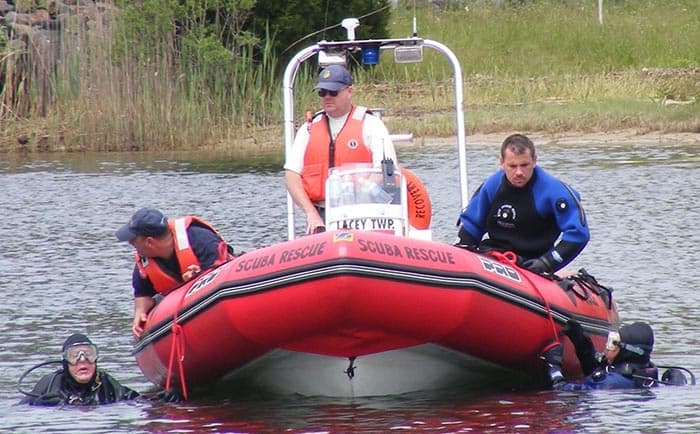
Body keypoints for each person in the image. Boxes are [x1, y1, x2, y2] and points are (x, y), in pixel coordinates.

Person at [284, 64, 398, 234]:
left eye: (333, 92)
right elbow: (291, 175)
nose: (327, 97)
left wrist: (358, 195)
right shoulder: (308, 129)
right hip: (321, 214)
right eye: (322, 92)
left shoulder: (370, 125)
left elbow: (385, 170)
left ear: (349, 92)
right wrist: (311, 213)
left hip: (363, 213)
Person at [456, 133, 589, 273]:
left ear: (534, 161)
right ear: (501, 163)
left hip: (533, 265)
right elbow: (472, 226)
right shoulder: (492, 186)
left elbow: (578, 234)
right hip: (493, 259)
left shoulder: (555, 192)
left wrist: (547, 263)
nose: (519, 172)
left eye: (524, 165)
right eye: (512, 166)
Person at [116, 208, 235, 338]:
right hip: (185, 315)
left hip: (219, 302)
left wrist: (198, 278)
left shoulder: (200, 238)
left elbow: (224, 270)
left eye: (133, 240)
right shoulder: (145, 262)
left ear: (149, 242)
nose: (130, 243)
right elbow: (142, 292)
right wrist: (140, 312)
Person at [541, 320, 692, 390]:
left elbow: (562, 389)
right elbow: (593, 369)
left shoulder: (609, 383)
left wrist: (553, 367)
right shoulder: (645, 374)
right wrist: (581, 342)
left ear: (627, 351)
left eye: (612, 343)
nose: (607, 348)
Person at [19, 333, 141, 406]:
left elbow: (135, 399)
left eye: (89, 354)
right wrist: (39, 405)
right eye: (74, 355)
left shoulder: (106, 383)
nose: (82, 360)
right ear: (65, 362)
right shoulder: (50, 383)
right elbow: (21, 409)